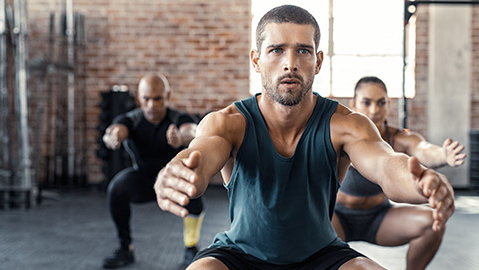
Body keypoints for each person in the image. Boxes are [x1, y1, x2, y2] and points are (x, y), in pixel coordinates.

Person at [154, 5, 455, 270]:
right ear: (256, 60)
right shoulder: (229, 123)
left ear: (318, 61)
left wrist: (420, 182)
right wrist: (179, 171)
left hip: (321, 254)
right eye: (276, 50)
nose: (290, 63)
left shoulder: (346, 124)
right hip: (240, 254)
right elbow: (201, 154)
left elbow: (387, 166)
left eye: (303, 50)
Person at [331, 76, 466, 270]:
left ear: (388, 104)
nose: (374, 110)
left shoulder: (397, 137)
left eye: (381, 103)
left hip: (378, 217)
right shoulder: (342, 134)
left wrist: (443, 154)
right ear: (353, 104)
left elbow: (422, 148)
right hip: (338, 217)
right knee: (310, 226)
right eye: (366, 102)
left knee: (432, 222)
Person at [102, 73, 204, 269]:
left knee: (193, 186)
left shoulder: (177, 118)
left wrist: (181, 138)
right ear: (139, 98)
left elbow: (192, 130)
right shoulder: (132, 119)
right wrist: (113, 136)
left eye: (157, 99)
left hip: (173, 181)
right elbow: (116, 129)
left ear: (167, 96)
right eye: (146, 99)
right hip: (144, 180)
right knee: (117, 188)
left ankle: (191, 248)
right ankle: (125, 248)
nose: (151, 105)